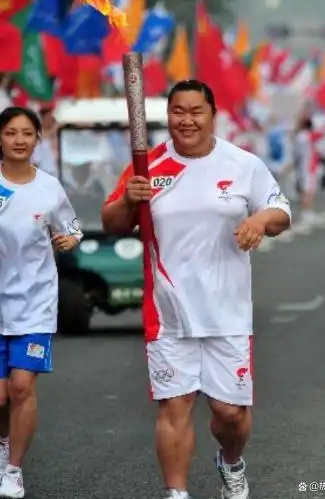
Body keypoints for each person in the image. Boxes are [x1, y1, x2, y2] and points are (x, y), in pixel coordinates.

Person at [101, 80, 291, 499]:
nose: (186, 120)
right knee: (175, 406)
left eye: (195, 111)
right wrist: (128, 202)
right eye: (178, 112)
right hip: (167, 310)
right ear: (167, 115)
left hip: (227, 312)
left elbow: (281, 212)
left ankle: (231, 461)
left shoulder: (243, 164)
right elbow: (113, 222)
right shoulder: (146, 165)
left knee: (230, 415)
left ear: (212, 114)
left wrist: (259, 222)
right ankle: (177, 493)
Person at [0, 106, 82, 498]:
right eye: (11, 133)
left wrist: (70, 239)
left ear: (36, 139)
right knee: (0, 395)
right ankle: (3, 445)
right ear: (0, 139)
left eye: (26, 134)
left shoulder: (48, 188)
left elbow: (72, 226)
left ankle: (14, 469)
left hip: (33, 302)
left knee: (20, 388)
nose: (19, 140)